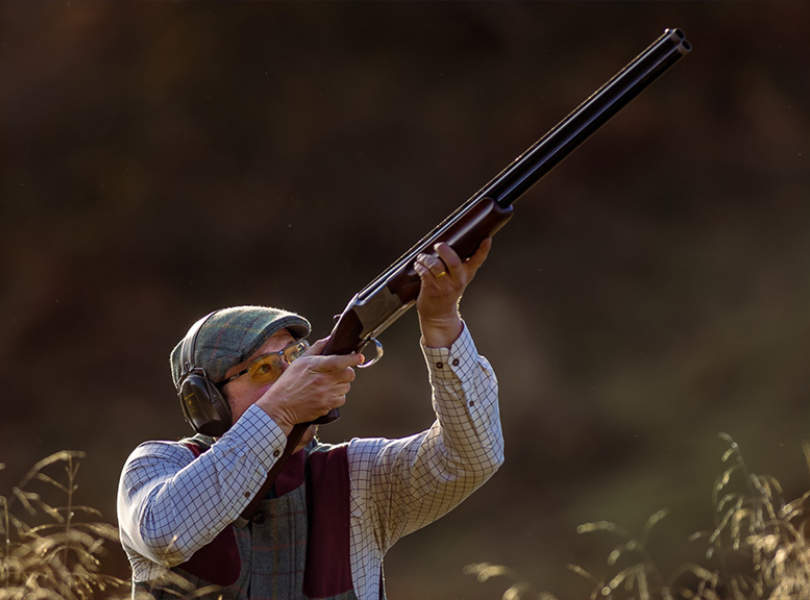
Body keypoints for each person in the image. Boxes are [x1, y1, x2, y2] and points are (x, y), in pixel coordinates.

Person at [117, 239, 504, 600]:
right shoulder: (156, 465)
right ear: (207, 403)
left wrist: (442, 324)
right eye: (266, 368)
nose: (292, 375)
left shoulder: (358, 477)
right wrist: (280, 411)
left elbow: (473, 457)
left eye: (295, 356)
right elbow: (168, 533)